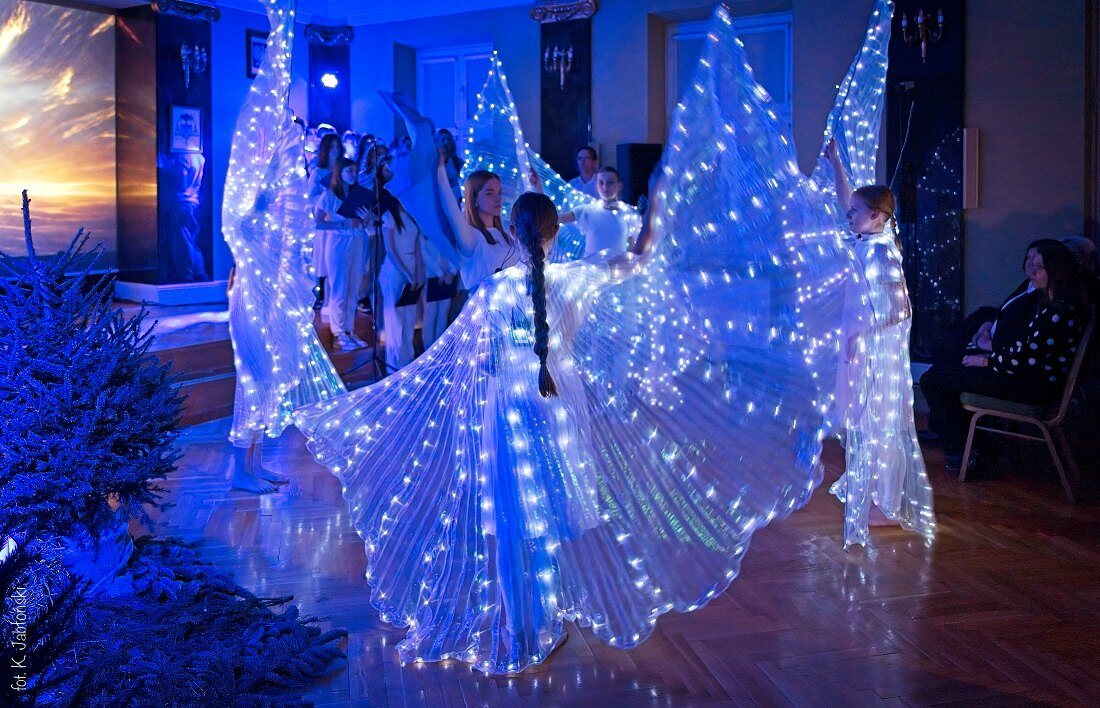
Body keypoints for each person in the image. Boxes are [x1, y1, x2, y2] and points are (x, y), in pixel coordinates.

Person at [293, 4, 861, 675]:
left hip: (506, 407)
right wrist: (664, 203)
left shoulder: (499, 290)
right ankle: (543, 616)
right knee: (548, 519)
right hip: (557, 403)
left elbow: (455, 359)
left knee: (511, 519)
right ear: (554, 233)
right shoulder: (570, 280)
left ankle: (521, 623)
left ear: (516, 230)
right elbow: (636, 260)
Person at [222, 0, 345, 493]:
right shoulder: (251, 200)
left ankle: (252, 464)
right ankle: (238, 469)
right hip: (251, 292)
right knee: (253, 376)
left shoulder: (280, 201)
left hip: (271, 289)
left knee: (269, 375)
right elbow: (240, 221)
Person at [825, 139, 935, 547]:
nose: (848, 215)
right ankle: (874, 498)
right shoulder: (869, 241)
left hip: (876, 356)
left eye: (856, 211)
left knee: (879, 425)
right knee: (864, 425)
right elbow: (848, 200)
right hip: (862, 350)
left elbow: (900, 309)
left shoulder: (881, 254)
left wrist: (861, 334)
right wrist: (837, 163)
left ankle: (885, 505)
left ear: (876, 216)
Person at [920, 240, 1088, 466]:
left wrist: (986, 361)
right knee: (945, 369)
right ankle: (965, 441)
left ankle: (966, 453)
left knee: (934, 379)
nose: (1032, 271)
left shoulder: (1060, 311)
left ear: (1056, 271)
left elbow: (1027, 358)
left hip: (1032, 385)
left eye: (1039, 266)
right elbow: (1027, 348)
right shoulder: (1052, 302)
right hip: (1024, 374)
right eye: (1030, 263)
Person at [436, 159, 521, 293]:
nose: (498, 199)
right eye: (489, 193)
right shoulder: (471, 237)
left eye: (499, 193)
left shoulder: (505, 234)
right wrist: (440, 167)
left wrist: (537, 187)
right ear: (474, 199)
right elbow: (450, 207)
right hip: (485, 304)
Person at [376, 157, 425, 371]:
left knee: (409, 319)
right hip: (395, 271)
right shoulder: (389, 217)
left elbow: (417, 246)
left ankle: (407, 364)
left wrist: (419, 272)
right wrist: (406, 272)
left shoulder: (413, 216)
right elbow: (391, 249)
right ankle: (394, 366)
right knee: (395, 322)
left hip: (411, 268)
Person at [316, 157, 369, 351]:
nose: (354, 175)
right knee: (340, 287)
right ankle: (338, 332)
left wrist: (366, 218)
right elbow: (318, 223)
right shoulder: (329, 196)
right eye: (349, 171)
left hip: (358, 240)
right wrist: (342, 224)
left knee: (354, 287)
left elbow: (364, 222)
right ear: (340, 173)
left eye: (355, 171)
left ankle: (349, 329)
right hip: (338, 242)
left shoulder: (358, 195)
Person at [555, 166, 641, 257]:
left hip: (618, 264)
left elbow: (632, 249)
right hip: (591, 265)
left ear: (619, 186)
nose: (605, 187)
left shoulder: (628, 212)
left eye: (610, 182)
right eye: (601, 182)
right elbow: (557, 218)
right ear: (596, 186)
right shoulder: (587, 210)